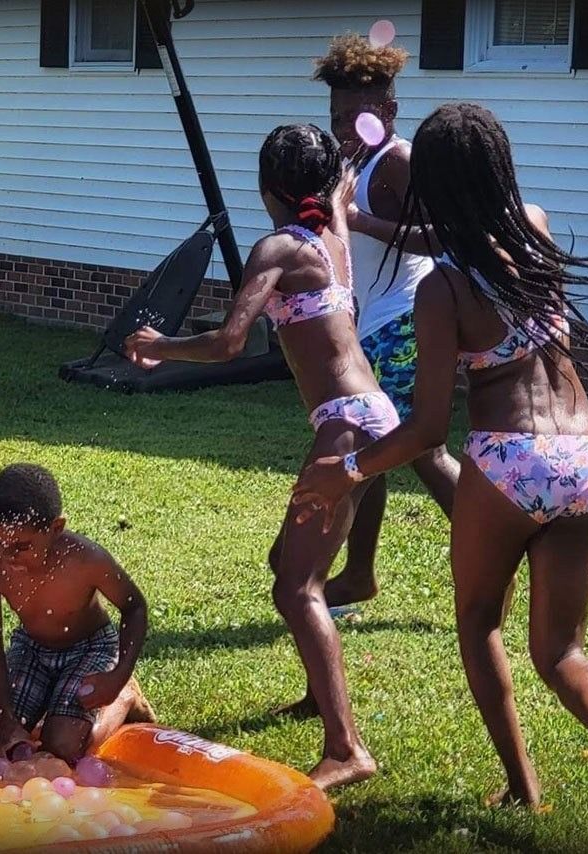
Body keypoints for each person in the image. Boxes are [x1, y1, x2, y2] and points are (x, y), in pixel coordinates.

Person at [291, 103, 588, 829]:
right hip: (584, 457)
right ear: (499, 167)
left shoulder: (442, 289)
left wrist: (348, 471)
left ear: (429, 183)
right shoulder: (535, 225)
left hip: (507, 458)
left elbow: (428, 426)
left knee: (476, 623)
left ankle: (523, 785)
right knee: (562, 650)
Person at [124, 124, 395, 790]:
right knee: (289, 565)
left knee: (293, 586)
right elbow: (335, 189)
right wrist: (347, 160)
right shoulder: (327, 237)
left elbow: (228, 343)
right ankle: (316, 697)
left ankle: (346, 748)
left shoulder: (276, 246)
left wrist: (158, 344)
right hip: (370, 420)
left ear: (267, 187)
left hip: (345, 428)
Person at [313, 32, 459, 612]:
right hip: (373, 327)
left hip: (404, 327)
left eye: (358, 113)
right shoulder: (355, 160)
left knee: (389, 452)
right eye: (337, 114)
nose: (346, 124)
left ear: (390, 111)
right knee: (388, 452)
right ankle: (359, 576)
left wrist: (356, 218)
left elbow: (443, 235)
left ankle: (500, 552)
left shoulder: (396, 160)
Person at [0, 463, 154, 765]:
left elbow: (134, 607)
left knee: (63, 750)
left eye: (21, 546)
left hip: (89, 648)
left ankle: (125, 698)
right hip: (31, 648)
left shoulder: (85, 560)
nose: (8, 555)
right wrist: (6, 719)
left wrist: (117, 676)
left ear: (56, 529)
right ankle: (48, 700)